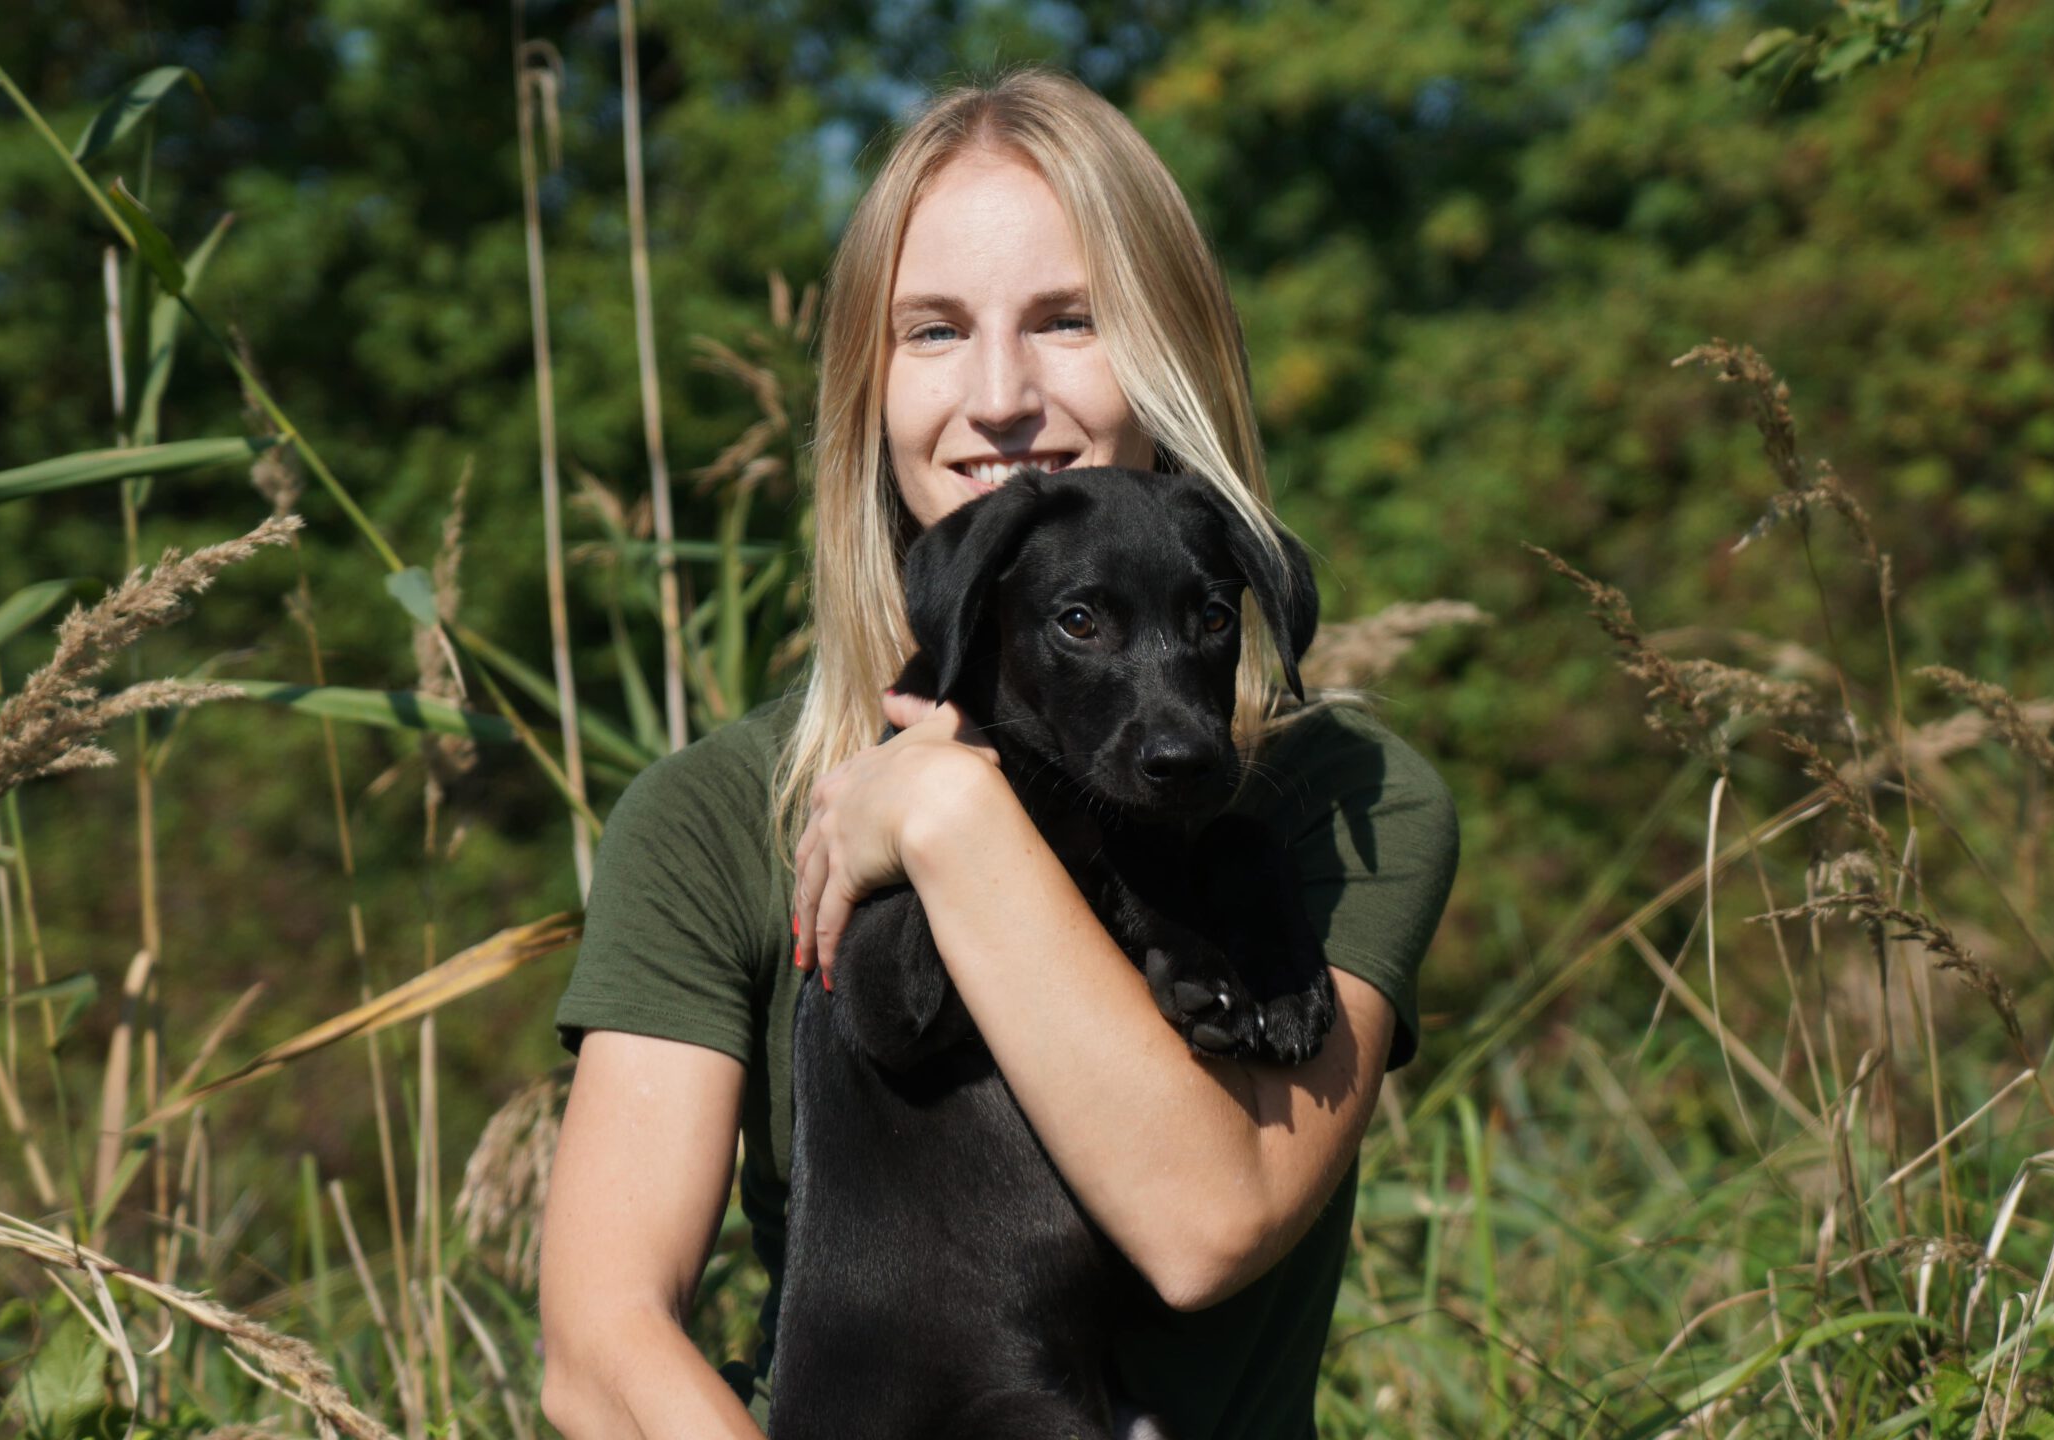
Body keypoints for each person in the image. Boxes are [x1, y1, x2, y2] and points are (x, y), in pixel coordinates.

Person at [538, 66, 1459, 1440]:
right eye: (932, 332)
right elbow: (602, 1351)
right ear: (868, 383)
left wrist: (951, 825)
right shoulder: (719, 814)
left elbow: (1209, 1221)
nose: (1000, 395)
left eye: (1069, 320)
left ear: (1173, 352)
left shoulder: (1345, 801)